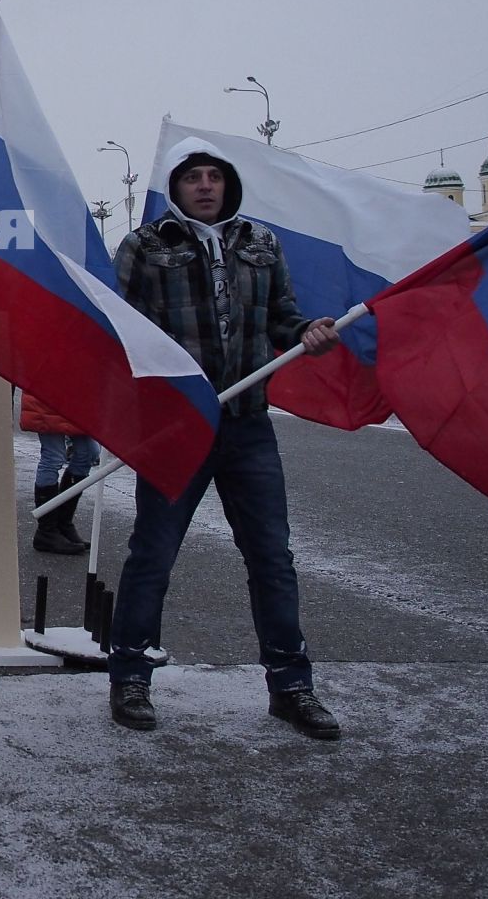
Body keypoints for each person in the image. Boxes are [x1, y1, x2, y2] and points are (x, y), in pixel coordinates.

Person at [108, 138, 342, 740]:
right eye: (194, 178)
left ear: (228, 184)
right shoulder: (145, 245)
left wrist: (305, 332)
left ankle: (291, 686)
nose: (206, 186)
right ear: (176, 187)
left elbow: (281, 316)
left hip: (247, 425)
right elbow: (117, 328)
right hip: (178, 427)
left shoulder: (260, 243)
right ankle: (130, 677)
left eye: (215, 176)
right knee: (152, 557)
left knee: (272, 559)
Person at [20, 391, 95, 555]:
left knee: (88, 453)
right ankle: (47, 530)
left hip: (77, 393)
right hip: (49, 390)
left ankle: (62, 523)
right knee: (53, 457)